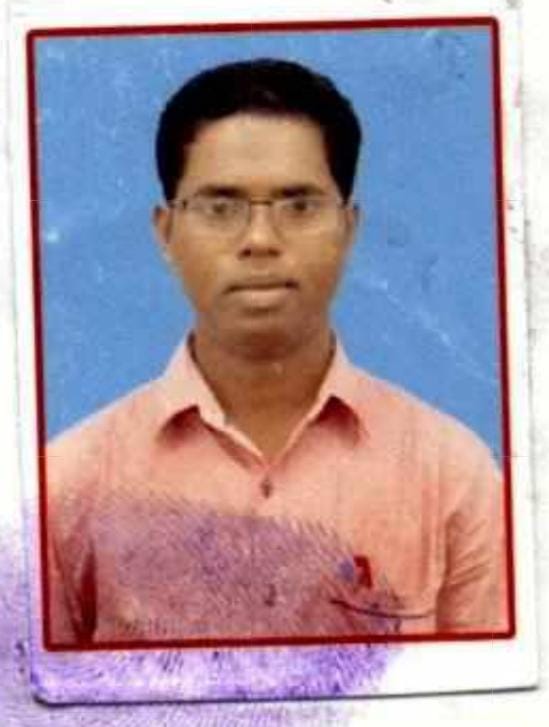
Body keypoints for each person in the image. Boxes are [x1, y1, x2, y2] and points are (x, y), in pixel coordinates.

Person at [46, 58, 508, 646]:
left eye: (300, 205)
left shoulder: (452, 474)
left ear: (348, 227)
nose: (260, 240)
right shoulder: (68, 484)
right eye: (220, 207)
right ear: (166, 231)